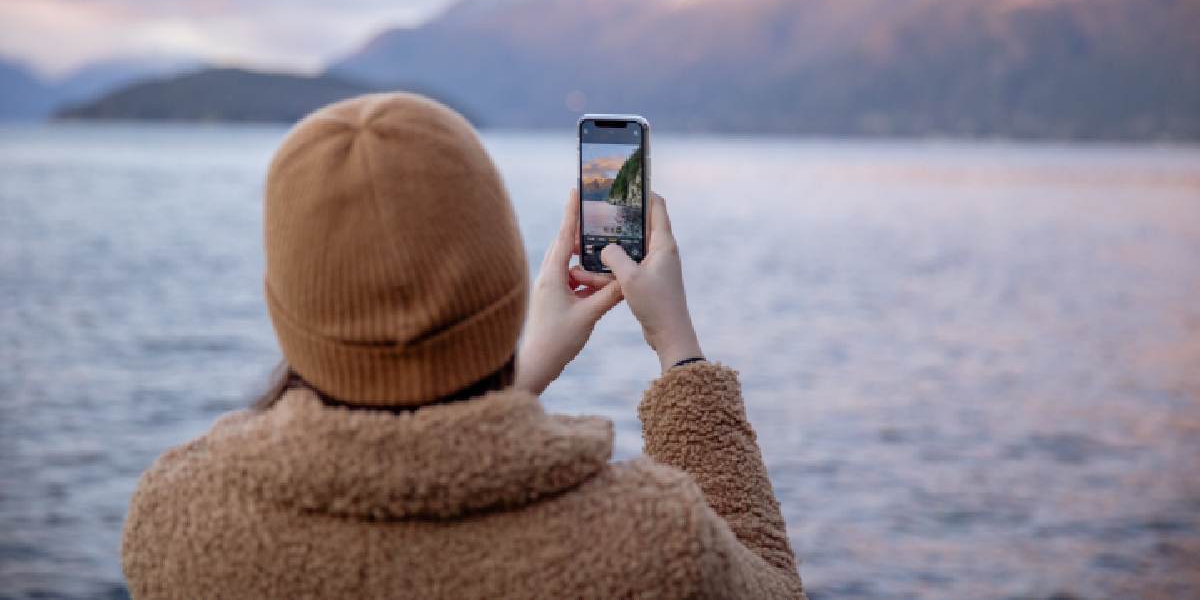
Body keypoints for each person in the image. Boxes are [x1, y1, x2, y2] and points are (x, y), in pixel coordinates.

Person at [121, 93, 805, 599]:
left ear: (288, 307)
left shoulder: (177, 525)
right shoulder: (651, 545)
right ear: (507, 285)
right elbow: (770, 579)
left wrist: (517, 377)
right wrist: (677, 351)